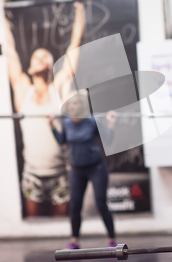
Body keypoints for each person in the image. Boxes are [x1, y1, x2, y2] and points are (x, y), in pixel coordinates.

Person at [5, 0, 86, 217]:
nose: (40, 58)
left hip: (60, 173)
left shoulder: (59, 87)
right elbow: (10, 52)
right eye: (36, 57)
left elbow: (74, 46)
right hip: (32, 173)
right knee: (33, 228)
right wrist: (1, 14)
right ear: (30, 67)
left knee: (59, 229)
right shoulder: (23, 90)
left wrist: (79, 5)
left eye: (45, 56)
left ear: (53, 65)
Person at [48, 92, 117, 249]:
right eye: (70, 104)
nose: (72, 107)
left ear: (82, 106)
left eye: (75, 104)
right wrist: (51, 126)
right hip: (77, 169)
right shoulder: (66, 123)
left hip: (96, 167)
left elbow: (108, 141)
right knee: (75, 206)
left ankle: (112, 240)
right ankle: (74, 241)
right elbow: (61, 141)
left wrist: (111, 123)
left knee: (101, 203)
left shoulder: (93, 121)